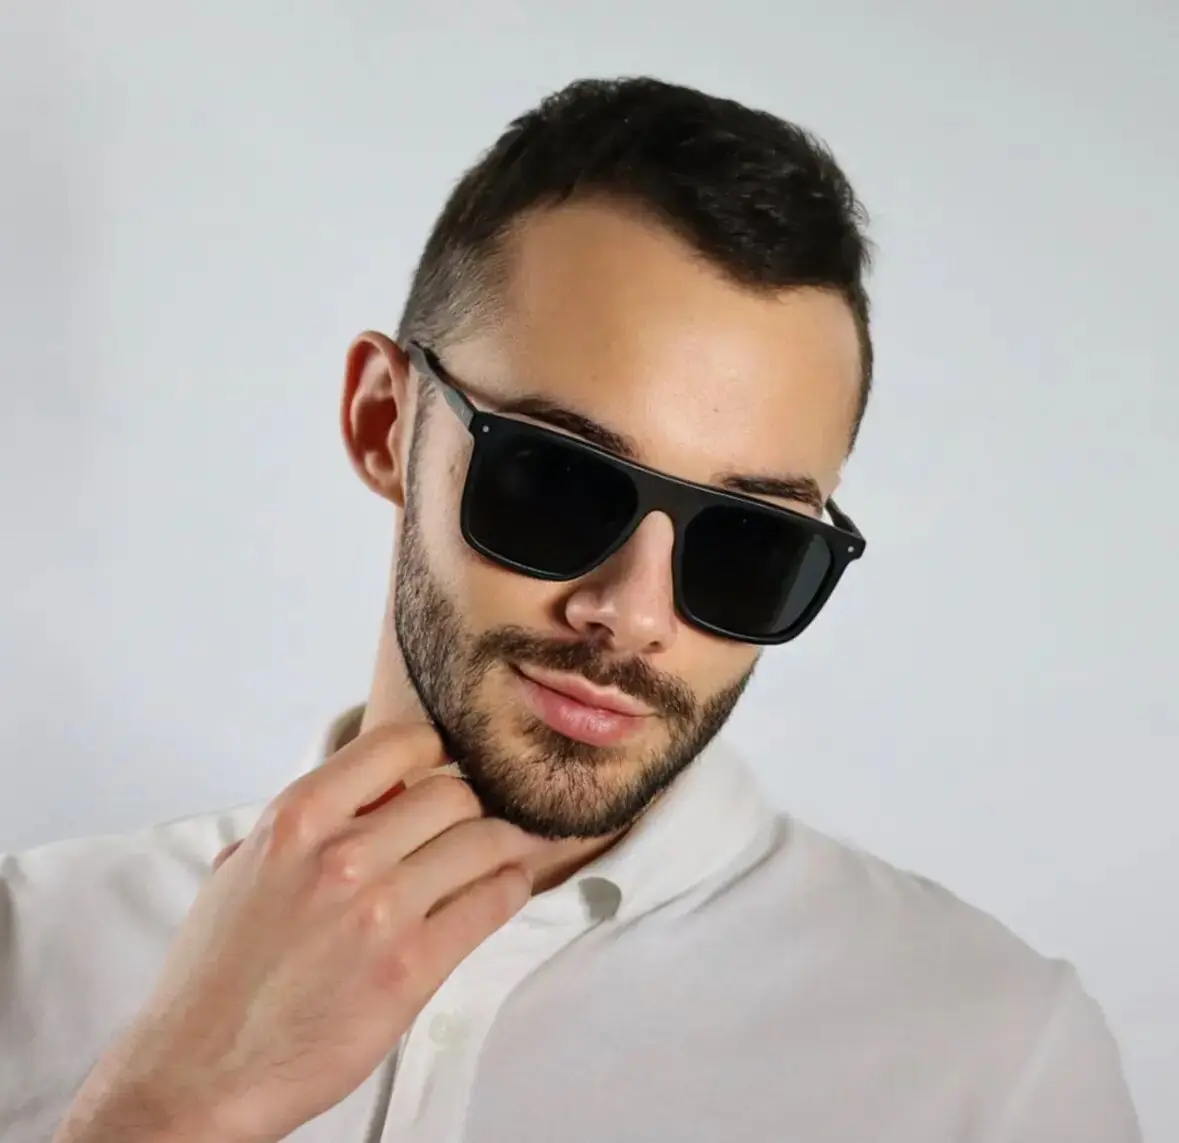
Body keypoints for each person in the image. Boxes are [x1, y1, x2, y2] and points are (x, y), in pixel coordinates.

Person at [0, 76, 1140, 1143]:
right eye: (557, 483)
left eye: (750, 543)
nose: (632, 614)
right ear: (385, 422)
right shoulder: (28, 949)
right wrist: (166, 1106)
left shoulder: (991, 1060)